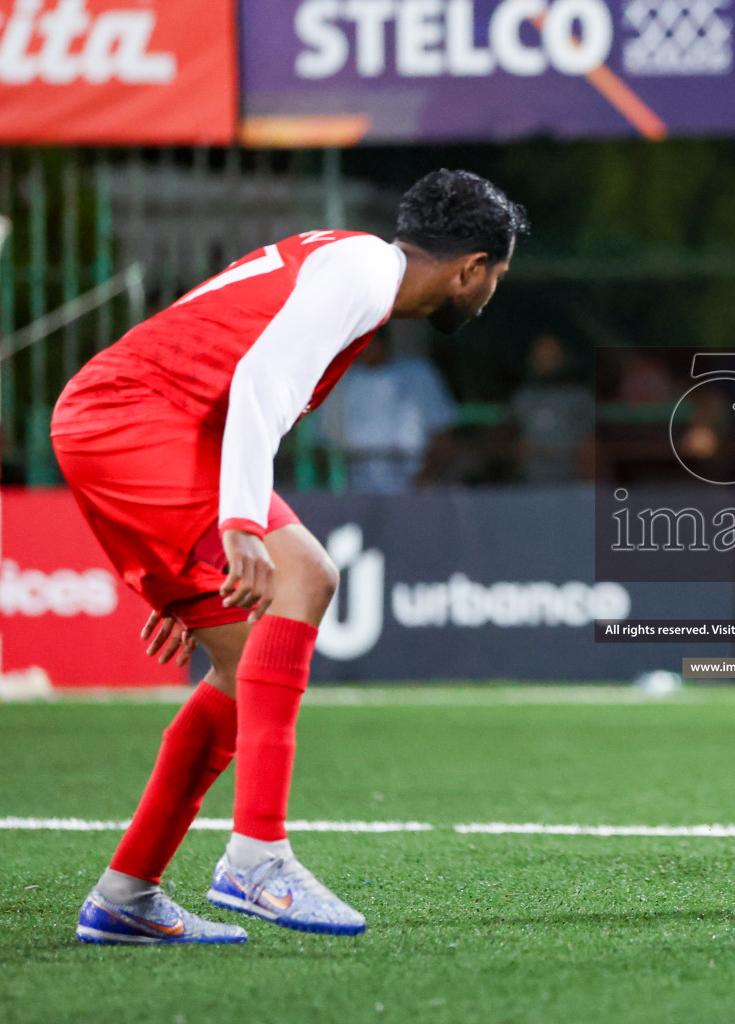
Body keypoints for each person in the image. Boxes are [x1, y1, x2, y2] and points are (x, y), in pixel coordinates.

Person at [51, 169, 527, 944]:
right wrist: (235, 522)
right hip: (137, 422)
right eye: (496, 278)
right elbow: (259, 381)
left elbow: (232, 371)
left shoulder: (352, 264)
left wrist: (193, 582)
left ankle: (126, 895)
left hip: (149, 424)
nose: (488, 296)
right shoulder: (370, 270)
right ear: (472, 267)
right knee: (299, 585)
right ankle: (256, 857)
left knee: (262, 637)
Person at [315, 329, 460, 494]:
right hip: (354, 481)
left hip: (411, 479)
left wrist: (428, 474)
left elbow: (443, 431)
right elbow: (322, 442)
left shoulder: (417, 373)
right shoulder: (340, 381)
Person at [511, 333, 594, 483]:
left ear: (563, 358)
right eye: (541, 357)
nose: (546, 362)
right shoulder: (523, 398)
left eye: (552, 357)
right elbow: (517, 443)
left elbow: (588, 443)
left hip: (571, 481)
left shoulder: (579, 397)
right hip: (531, 484)